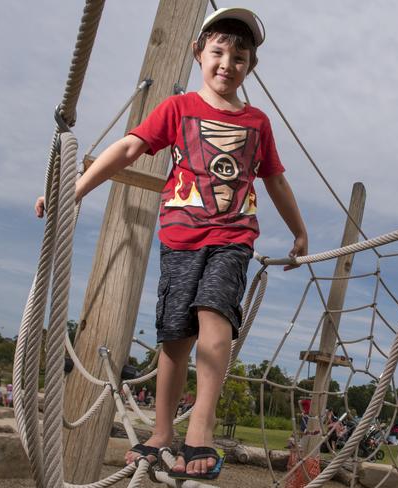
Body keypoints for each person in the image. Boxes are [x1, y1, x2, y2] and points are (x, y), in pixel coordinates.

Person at [35, 7, 307, 481]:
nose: (228, 62)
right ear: (198, 52)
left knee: (215, 317)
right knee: (174, 338)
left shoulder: (257, 122)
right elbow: (127, 148)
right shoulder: (176, 108)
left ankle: (199, 428)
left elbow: (277, 180)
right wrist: (74, 188)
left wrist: (300, 231)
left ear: (251, 66)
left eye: (240, 56)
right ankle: (162, 433)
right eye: (219, 51)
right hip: (180, 238)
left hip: (232, 237)